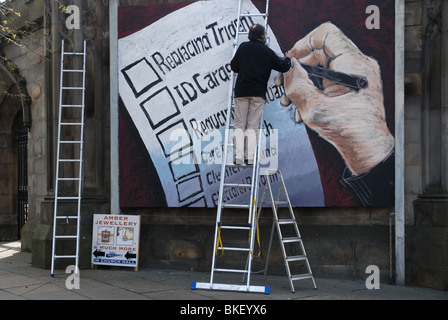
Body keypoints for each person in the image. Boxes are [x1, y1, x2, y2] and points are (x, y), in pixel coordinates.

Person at [230, 23, 291, 165]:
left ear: (250, 35)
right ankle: (249, 157)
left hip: (242, 91)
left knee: (239, 124)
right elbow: (284, 66)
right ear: (263, 36)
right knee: (252, 125)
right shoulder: (267, 52)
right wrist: (288, 58)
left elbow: (234, 67)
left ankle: (238, 157)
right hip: (257, 93)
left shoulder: (243, 47)